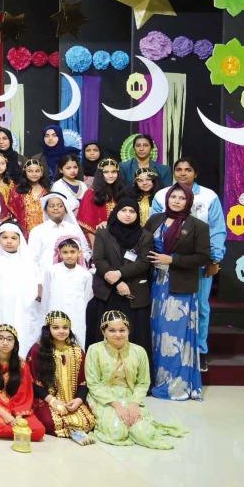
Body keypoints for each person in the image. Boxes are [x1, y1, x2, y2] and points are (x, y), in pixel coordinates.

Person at [150, 158, 225, 372]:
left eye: (188, 170)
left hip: (198, 263)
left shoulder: (208, 196)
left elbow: (218, 230)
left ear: (196, 173)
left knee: (200, 308)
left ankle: (199, 351)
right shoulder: (162, 195)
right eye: (178, 170)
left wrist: (215, 259)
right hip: (164, 265)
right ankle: (166, 354)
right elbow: (156, 228)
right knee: (166, 310)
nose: (183, 173)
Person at [145, 184, 210, 401]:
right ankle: (157, 381)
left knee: (174, 337)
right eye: (173, 196)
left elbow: (202, 258)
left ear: (189, 201)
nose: (176, 201)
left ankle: (176, 386)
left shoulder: (197, 226)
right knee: (156, 334)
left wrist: (172, 260)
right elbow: (142, 245)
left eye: (182, 198)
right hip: (155, 284)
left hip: (180, 287)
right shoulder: (156, 220)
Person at [86, 311, 188, 449]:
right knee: (117, 432)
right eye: (112, 330)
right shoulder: (94, 350)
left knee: (142, 431)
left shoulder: (139, 351)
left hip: (130, 395)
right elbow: (93, 383)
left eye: (122, 330)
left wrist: (134, 404)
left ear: (128, 330)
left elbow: (143, 382)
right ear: (103, 331)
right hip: (103, 397)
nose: (118, 334)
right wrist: (117, 406)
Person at [88, 198, 152, 349]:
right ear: (116, 212)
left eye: (132, 211)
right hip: (107, 292)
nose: (127, 214)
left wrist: (119, 273)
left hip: (134, 293)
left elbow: (144, 262)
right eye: (123, 210)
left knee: (135, 339)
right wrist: (117, 282)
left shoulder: (145, 236)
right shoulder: (104, 233)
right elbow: (99, 259)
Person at [27, 313, 96, 444]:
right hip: (46, 400)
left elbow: (84, 380)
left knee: (88, 421)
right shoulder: (38, 349)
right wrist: (53, 401)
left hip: (72, 400)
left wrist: (78, 400)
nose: (61, 331)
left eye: (65, 327)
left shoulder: (77, 350)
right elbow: (33, 382)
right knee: (52, 422)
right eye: (56, 327)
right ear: (48, 329)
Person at [0, 223, 41, 356]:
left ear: (20, 240)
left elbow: (32, 289)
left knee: (22, 337)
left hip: (23, 311)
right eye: (5, 237)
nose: (9, 241)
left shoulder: (27, 262)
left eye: (13, 238)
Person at [41, 237, 94, 343]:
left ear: (79, 253)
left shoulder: (85, 275)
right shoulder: (52, 271)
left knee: (76, 341)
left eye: (72, 252)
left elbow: (86, 297)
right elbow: (46, 295)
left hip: (76, 314)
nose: (69, 255)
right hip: (54, 311)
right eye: (65, 252)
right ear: (60, 254)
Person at [28, 192, 91, 274]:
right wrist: (38, 282)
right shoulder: (37, 231)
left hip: (72, 276)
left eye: (60, 206)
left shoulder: (73, 229)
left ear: (66, 209)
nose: (56, 208)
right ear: (45, 209)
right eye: (52, 206)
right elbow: (32, 258)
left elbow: (84, 250)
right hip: (45, 277)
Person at [77, 158, 124, 244]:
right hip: (98, 240)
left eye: (113, 172)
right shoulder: (91, 194)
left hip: (120, 239)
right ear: (100, 174)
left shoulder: (122, 192)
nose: (110, 175)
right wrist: (95, 249)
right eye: (106, 172)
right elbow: (88, 226)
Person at [9, 159, 50, 234]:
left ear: (42, 173)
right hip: (24, 231)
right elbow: (13, 212)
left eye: (37, 171)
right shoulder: (17, 191)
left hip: (44, 230)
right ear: (25, 173)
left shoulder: (47, 191)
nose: (34, 174)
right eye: (30, 171)